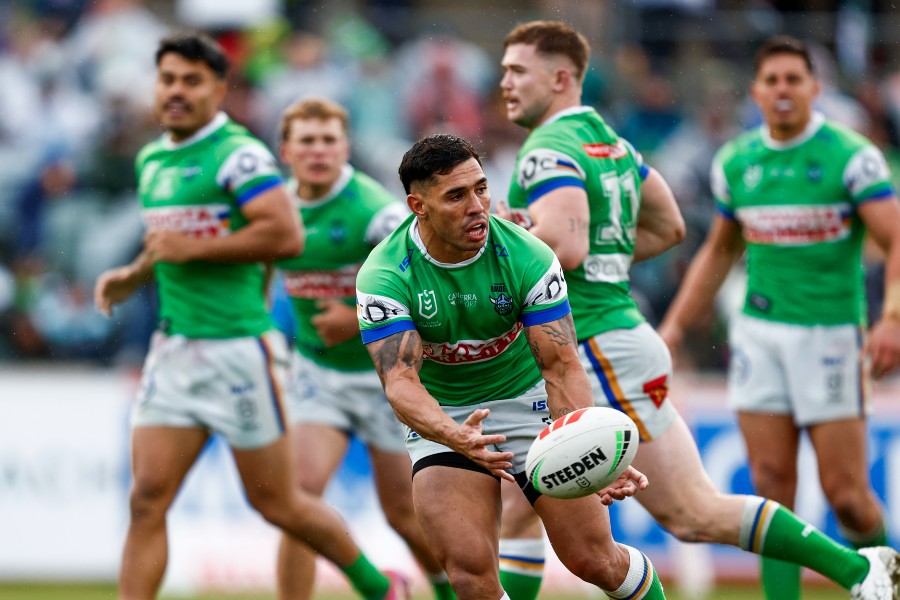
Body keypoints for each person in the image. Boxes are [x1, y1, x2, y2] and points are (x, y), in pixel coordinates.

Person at [495, 21, 900, 600]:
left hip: (595, 345)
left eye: (517, 71)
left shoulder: (546, 149)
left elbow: (565, 244)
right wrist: (609, 261)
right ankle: (862, 570)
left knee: (692, 512)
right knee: (521, 505)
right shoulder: (613, 145)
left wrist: (501, 254)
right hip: (620, 335)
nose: (505, 83)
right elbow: (670, 227)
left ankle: (861, 571)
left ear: (560, 78)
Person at [93, 33, 408, 600]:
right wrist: (135, 273)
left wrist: (190, 250)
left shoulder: (240, 156)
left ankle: (377, 586)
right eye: (168, 79)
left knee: (280, 503)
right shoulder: (152, 158)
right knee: (146, 500)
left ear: (219, 89)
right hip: (174, 350)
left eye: (192, 81)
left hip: (238, 351)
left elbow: (284, 235)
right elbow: (169, 240)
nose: (177, 91)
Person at [355, 133, 667, 600]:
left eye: (480, 188)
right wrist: (454, 434)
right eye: (456, 196)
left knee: (595, 560)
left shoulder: (528, 256)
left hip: (530, 404)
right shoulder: (383, 275)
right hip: (448, 415)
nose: (477, 207)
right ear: (418, 206)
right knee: (469, 574)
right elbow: (400, 382)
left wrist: (590, 446)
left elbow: (561, 367)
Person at [658, 35, 900, 599]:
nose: (783, 89)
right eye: (772, 80)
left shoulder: (851, 156)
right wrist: (675, 325)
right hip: (759, 336)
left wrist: (891, 318)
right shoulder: (737, 161)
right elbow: (720, 250)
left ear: (815, 88)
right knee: (770, 487)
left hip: (831, 336)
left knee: (848, 496)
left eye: (794, 79)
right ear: (757, 91)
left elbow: (895, 240)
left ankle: (886, 584)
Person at [273, 97, 453, 600]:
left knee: (403, 514)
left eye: (328, 140)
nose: (318, 151)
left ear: (345, 147)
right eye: (307, 141)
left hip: (387, 377)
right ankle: (378, 588)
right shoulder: (275, 208)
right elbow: (259, 265)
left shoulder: (375, 211)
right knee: (298, 501)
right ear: (286, 151)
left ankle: (445, 591)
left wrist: (353, 319)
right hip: (317, 373)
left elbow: (425, 284)